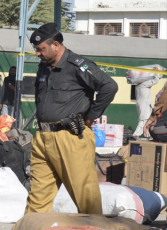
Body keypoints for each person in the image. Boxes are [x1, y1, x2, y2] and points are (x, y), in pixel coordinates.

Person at [25, 23, 118, 215]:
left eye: (41, 49)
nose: (37, 54)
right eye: (36, 50)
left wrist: (91, 116)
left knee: (85, 197)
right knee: (37, 197)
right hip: (43, 138)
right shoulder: (43, 68)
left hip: (71, 137)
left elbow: (109, 86)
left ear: (56, 45)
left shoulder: (78, 66)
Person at [129, 68, 162, 140]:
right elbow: (155, 80)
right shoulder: (143, 84)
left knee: (147, 120)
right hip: (144, 105)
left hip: (144, 104)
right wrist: (157, 72)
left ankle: (148, 135)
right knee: (143, 119)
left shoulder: (138, 85)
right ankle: (136, 134)